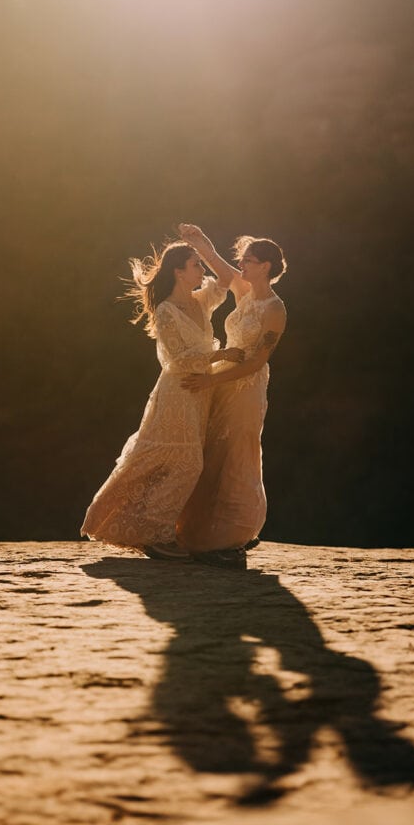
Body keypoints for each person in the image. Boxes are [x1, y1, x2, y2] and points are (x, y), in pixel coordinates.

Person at [80, 240, 244, 557]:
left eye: (200, 264)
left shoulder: (200, 301)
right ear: (178, 272)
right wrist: (222, 353)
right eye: (195, 264)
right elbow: (179, 358)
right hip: (178, 392)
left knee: (179, 462)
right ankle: (155, 534)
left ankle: (154, 532)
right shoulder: (166, 310)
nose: (201, 269)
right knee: (185, 462)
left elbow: (226, 279)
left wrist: (201, 245)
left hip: (200, 394)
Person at [176, 224, 287, 569]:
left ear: (266, 266)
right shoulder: (244, 291)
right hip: (221, 381)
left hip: (246, 387)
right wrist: (199, 241)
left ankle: (233, 535)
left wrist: (210, 381)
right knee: (211, 451)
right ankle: (199, 533)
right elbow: (218, 264)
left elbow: (256, 361)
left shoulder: (274, 309)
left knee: (238, 453)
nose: (242, 267)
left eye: (249, 261)